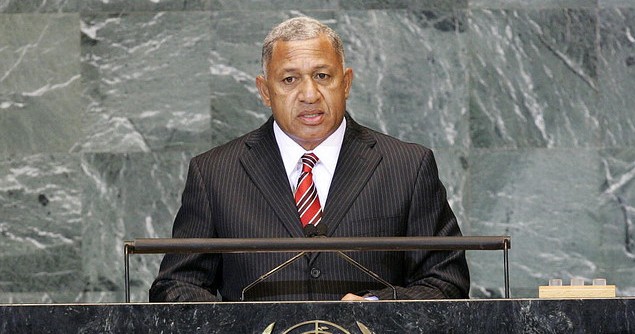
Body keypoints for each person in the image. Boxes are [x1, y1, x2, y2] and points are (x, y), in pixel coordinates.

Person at [149, 16, 469, 302]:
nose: (309, 95)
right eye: (289, 79)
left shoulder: (408, 167)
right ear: (264, 90)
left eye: (322, 76)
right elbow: (176, 285)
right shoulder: (214, 173)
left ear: (345, 83)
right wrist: (234, 323)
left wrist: (377, 308)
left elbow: (446, 282)